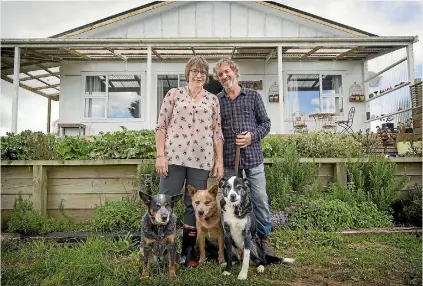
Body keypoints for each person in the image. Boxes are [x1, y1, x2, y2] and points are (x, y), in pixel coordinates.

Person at [155, 55, 224, 267]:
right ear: (188, 73)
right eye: (195, 71)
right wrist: (160, 155)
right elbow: (161, 126)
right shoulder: (174, 94)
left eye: (203, 72)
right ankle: (160, 250)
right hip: (174, 158)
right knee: (165, 202)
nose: (199, 75)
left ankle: (187, 252)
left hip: (201, 161)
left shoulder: (212, 100)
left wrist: (219, 161)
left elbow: (217, 132)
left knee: (192, 206)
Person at [213, 58, 275, 256]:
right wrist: (218, 161)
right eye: (220, 74)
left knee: (259, 198)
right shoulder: (217, 101)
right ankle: (237, 242)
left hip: (253, 158)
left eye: (226, 72)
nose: (224, 76)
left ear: (235, 71)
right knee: (232, 202)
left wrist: (251, 137)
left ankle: (263, 238)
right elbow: (215, 132)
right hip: (231, 161)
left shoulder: (253, 96)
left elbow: (266, 123)